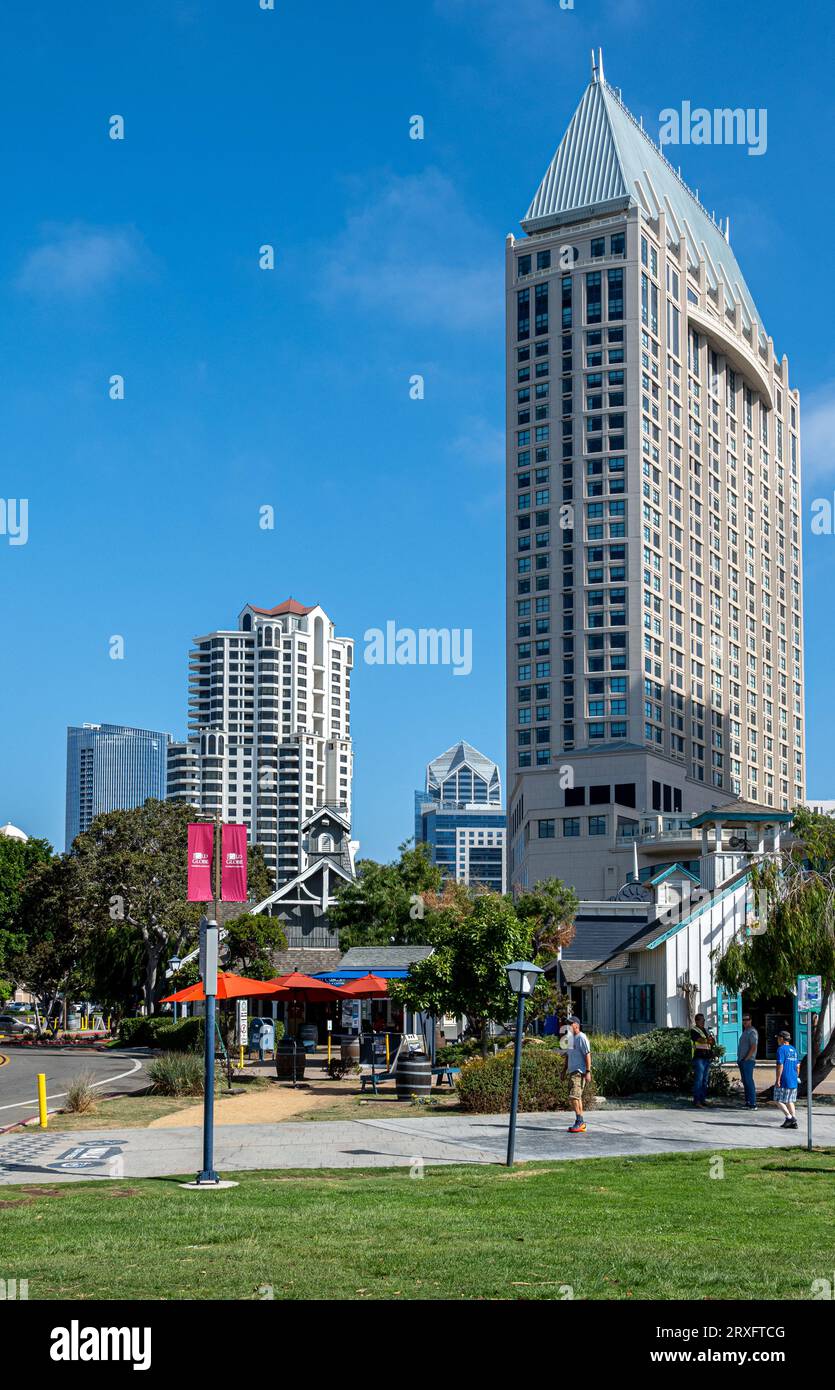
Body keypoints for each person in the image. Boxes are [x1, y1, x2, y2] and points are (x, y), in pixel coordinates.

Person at [565, 1015, 592, 1134]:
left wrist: (588, 1072)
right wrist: (563, 1071)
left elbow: (587, 1055)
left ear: (576, 1025)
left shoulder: (581, 1037)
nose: (568, 1026)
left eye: (570, 1024)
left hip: (579, 1073)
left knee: (574, 1096)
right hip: (572, 1072)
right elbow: (568, 1056)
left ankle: (580, 1122)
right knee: (577, 1097)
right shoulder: (571, 1039)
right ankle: (580, 1122)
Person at [774, 1028, 799, 1130]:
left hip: (785, 1078)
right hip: (793, 1078)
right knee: (790, 1100)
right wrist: (797, 1076)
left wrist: (778, 1079)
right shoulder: (794, 1049)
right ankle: (793, 1120)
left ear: (782, 1039)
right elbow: (798, 1065)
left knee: (777, 1100)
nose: (777, 1040)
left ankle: (789, 1118)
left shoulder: (781, 1049)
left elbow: (780, 1065)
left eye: (778, 1038)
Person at [690, 1012, 716, 1107]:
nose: (703, 1022)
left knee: (705, 1080)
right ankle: (697, 1101)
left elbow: (712, 1041)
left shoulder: (706, 1030)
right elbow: (700, 1040)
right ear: (697, 1021)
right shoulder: (694, 1030)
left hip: (706, 1058)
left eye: (704, 1020)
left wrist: (710, 1040)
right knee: (699, 1080)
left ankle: (703, 1099)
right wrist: (708, 1040)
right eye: (702, 1020)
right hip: (699, 1058)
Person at [737, 1012, 759, 1110]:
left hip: (748, 1060)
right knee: (745, 1081)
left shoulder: (752, 1031)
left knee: (749, 1081)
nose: (745, 1021)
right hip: (742, 1060)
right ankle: (748, 1102)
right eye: (743, 1020)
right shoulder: (745, 1031)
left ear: (750, 1020)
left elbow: (753, 1047)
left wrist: (746, 1058)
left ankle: (753, 1103)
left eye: (747, 1019)